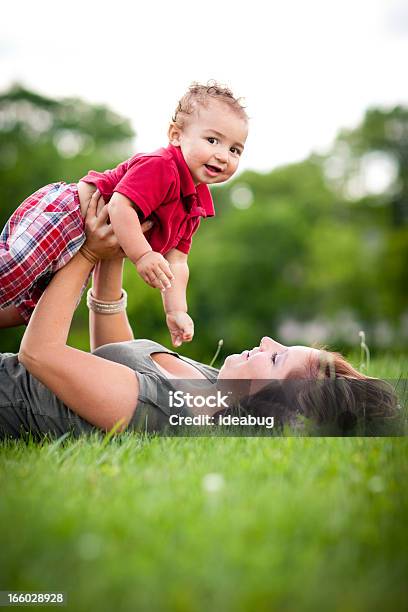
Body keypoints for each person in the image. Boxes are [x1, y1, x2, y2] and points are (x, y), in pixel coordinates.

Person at [0, 194, 400, 440]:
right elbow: (113, 354)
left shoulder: (170, 415)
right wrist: (116, 251)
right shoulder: (217, 389)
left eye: (276, 358)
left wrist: (88, 252)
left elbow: (40, 355)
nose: (266, 342)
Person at [0, 81, 249, 347]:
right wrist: (143, 255)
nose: (223, 156)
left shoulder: (196, 204)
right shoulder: (162, 166)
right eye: (212, 140)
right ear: (176, 135)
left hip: (82, 242)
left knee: (29, 307)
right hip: (67, 213)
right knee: (13, 271)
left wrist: (176, 310)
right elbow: (119, 206)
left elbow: (177, 261)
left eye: (235, 149)